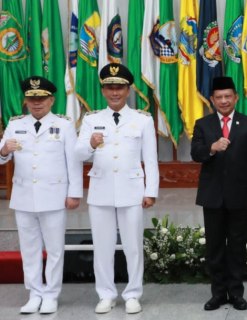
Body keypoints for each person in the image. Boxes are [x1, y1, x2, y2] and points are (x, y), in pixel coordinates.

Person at [0, 76, 82, 314]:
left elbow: (73, 162)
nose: (36, 103)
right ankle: (34, 293)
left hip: (54, 195)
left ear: (51, 100)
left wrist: (74, 193)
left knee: (54, 248)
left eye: (42, 98)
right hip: (23, 196)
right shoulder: (15, 124)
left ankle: (51, 294)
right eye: (32, 99)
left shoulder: (64, 125)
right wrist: (3, 150)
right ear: (26, 100)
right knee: (29, 249)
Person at [74, 63, 159, 314]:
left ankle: (133, 293)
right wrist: (90, 143)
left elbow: (151, 158)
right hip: (101, 191)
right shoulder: (91, 119)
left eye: (119, 88)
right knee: (102, 246)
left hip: (132, 191)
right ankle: (106, 294)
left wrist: (150, 191)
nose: (115, 93)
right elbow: (78, 153)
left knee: (133, 246)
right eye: (110, 88)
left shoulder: (142, 119)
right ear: (102, 91)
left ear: (128, 90)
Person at [190, 76, 247, 311]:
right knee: (215, 246)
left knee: (237, 245)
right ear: (212, 99)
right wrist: (212, 148)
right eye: (219, 97)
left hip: (240, 196)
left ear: (236, 98)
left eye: (228, 96)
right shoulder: (203, 124)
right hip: (212, 195)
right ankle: (218, 293)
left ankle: (236, 293)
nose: (223, 101)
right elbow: (195, 153)